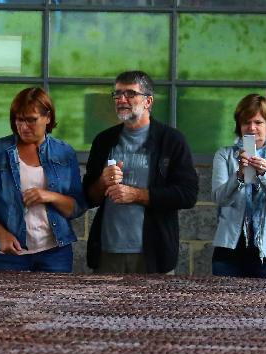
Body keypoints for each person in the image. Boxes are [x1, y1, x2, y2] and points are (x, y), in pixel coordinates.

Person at [83, 70, 199, 274]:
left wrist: (137, 195)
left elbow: (188, 195)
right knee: (105, 307)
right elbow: (89, 197)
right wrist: (102, 182)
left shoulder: (171, 141)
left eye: (130, 94)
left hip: (153, 252)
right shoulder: (104, 141)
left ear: (148, 101)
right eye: (117, 94)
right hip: (108, 251)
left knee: (153, 307)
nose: (121, 99)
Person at [0, 87, 85, 272]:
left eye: (31, 120)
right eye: (19, 119)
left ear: (47, 117)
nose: (23, 127)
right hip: (8, 254)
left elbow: (76, 206)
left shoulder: (64, 152)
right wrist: (1, 235)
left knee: (56, 301)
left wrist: (49, 196)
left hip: (54, 252)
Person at [211, 94, 266, 278]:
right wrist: (239, 176)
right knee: (224, 303)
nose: (252, 128)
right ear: (239, 126)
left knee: (265, 305)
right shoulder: (225, 155)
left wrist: (265, 175)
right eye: (246, 122)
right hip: (229, 248)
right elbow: (219, 198)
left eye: (258, 122)